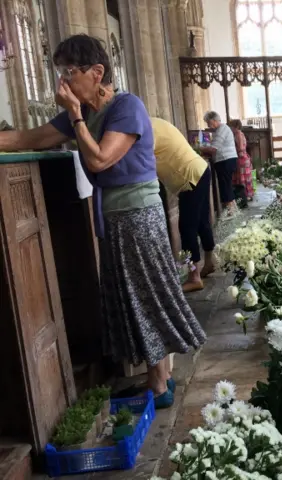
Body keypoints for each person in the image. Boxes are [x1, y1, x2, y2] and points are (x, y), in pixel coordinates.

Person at [0, 34, 206, 408]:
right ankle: (159, 379)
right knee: (133, 297)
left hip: (138, 215)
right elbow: (32, 137)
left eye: (69, 72)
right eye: (59, 72)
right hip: (115, 214)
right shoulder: (85, 112)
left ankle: (158, 388)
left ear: (97, 73)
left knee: (146, 295)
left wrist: (76, 116)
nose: (62, 83)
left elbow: (99, 160)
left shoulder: (126, 106)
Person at [151, 117, 216, 293]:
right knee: (201, 220)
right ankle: (209, 262)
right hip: (199, 171)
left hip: (189, 178)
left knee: (186, 228)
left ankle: (194, 276)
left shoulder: (145, 130)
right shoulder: (154, 123)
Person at [201, 112, 238, 219]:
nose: (208, 125)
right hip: (225, 160)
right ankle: (233, 209)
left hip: (225, 160)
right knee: (226, 184)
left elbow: (213, 148)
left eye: (208, 122)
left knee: (225, 185)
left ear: (214, 120)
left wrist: (200, 148)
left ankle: (231, 211)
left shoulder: (222, 129)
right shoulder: (220, 129)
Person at [228, 119, 254, 202]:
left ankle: (244, 196)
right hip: (243, 158)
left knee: (242, 178)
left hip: (241, 158)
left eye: (230, 126)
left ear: (235, 127)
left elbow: (241, 148)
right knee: (245, 177)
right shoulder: (239, 133)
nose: (230, 128)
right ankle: (246, 195)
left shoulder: (238, 134)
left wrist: (231, 149)